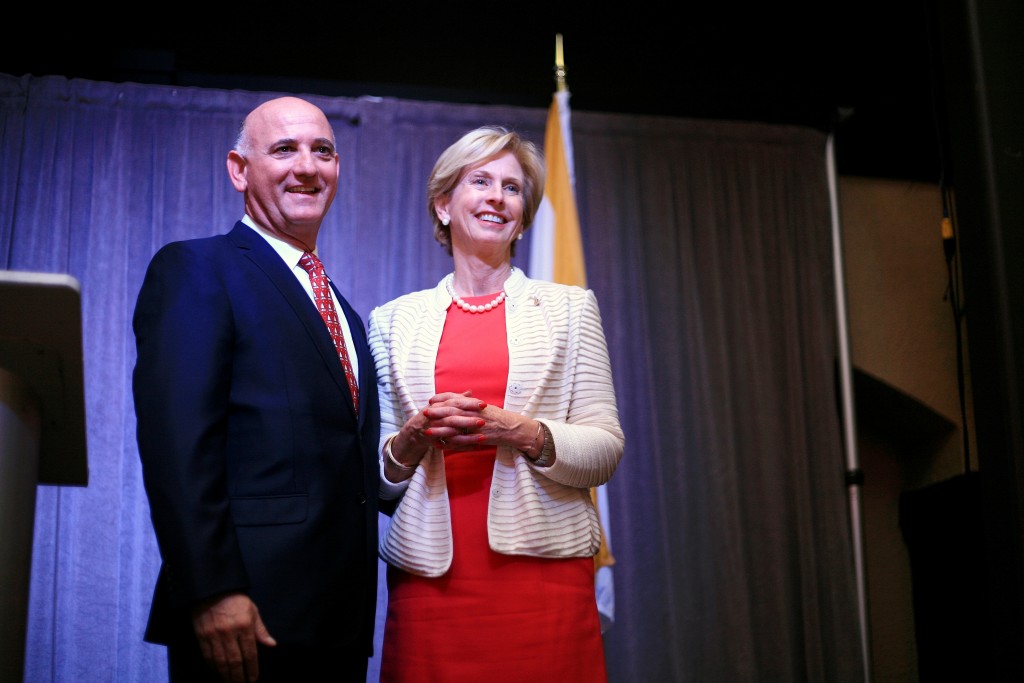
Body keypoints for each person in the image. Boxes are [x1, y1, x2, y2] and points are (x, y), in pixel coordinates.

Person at [132, 96, 381, 683]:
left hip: (338, 628)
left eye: (323, 151)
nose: (307, 166)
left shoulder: (342, 309)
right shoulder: (196, 268)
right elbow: (178, 446)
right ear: (239, 170)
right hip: (243, 621)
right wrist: (212, 589)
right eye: (284, 149)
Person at [368, 125, 625, 681]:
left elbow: (605, 449)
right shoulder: (392, 321)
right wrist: (411, 439)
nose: (496, 197)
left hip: (544, 580)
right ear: (443, 205)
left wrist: (526, 433)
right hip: (430, 586)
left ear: (523, 215)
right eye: (480, 181)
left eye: (511, 188)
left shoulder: (571, 308)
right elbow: (375, 481)